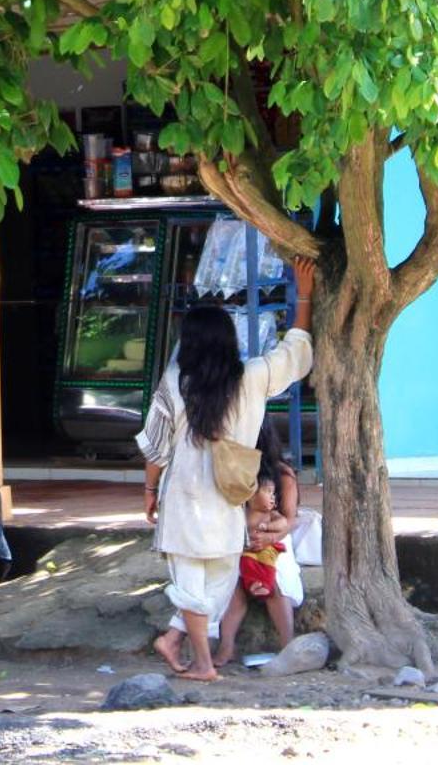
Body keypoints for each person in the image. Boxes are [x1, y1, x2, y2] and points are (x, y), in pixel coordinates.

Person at [141, 257, 315, 681]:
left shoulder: (173, 383)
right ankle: (197, 658)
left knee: (192, 578)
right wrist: (304, 294)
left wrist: (149, 491)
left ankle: (188, 650)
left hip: (182, 495)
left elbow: (155, 447)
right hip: (229, 495)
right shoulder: (252, 377)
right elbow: (294, 355)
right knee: (218, 577)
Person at [213, 467, 298, 666]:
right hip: (243, 553)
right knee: (235, 587)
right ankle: (227, 646)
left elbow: (286, 522)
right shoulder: (241, 509)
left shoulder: (281, 480)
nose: (272, 498)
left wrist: (269, 534)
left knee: (276, 584)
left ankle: (288, 644)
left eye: (273, 493)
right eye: (268, 492)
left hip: (270, 550)